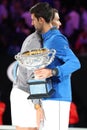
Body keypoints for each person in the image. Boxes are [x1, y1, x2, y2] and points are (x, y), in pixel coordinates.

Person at [10, 2, 81, 130]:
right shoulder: (43, 39)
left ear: (41, 20)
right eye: (57, 20)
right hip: (47, 98)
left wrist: (52, 72)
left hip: (58, 97)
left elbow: (75, 63)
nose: (31, 23)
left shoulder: (56, 39)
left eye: (33, 20)